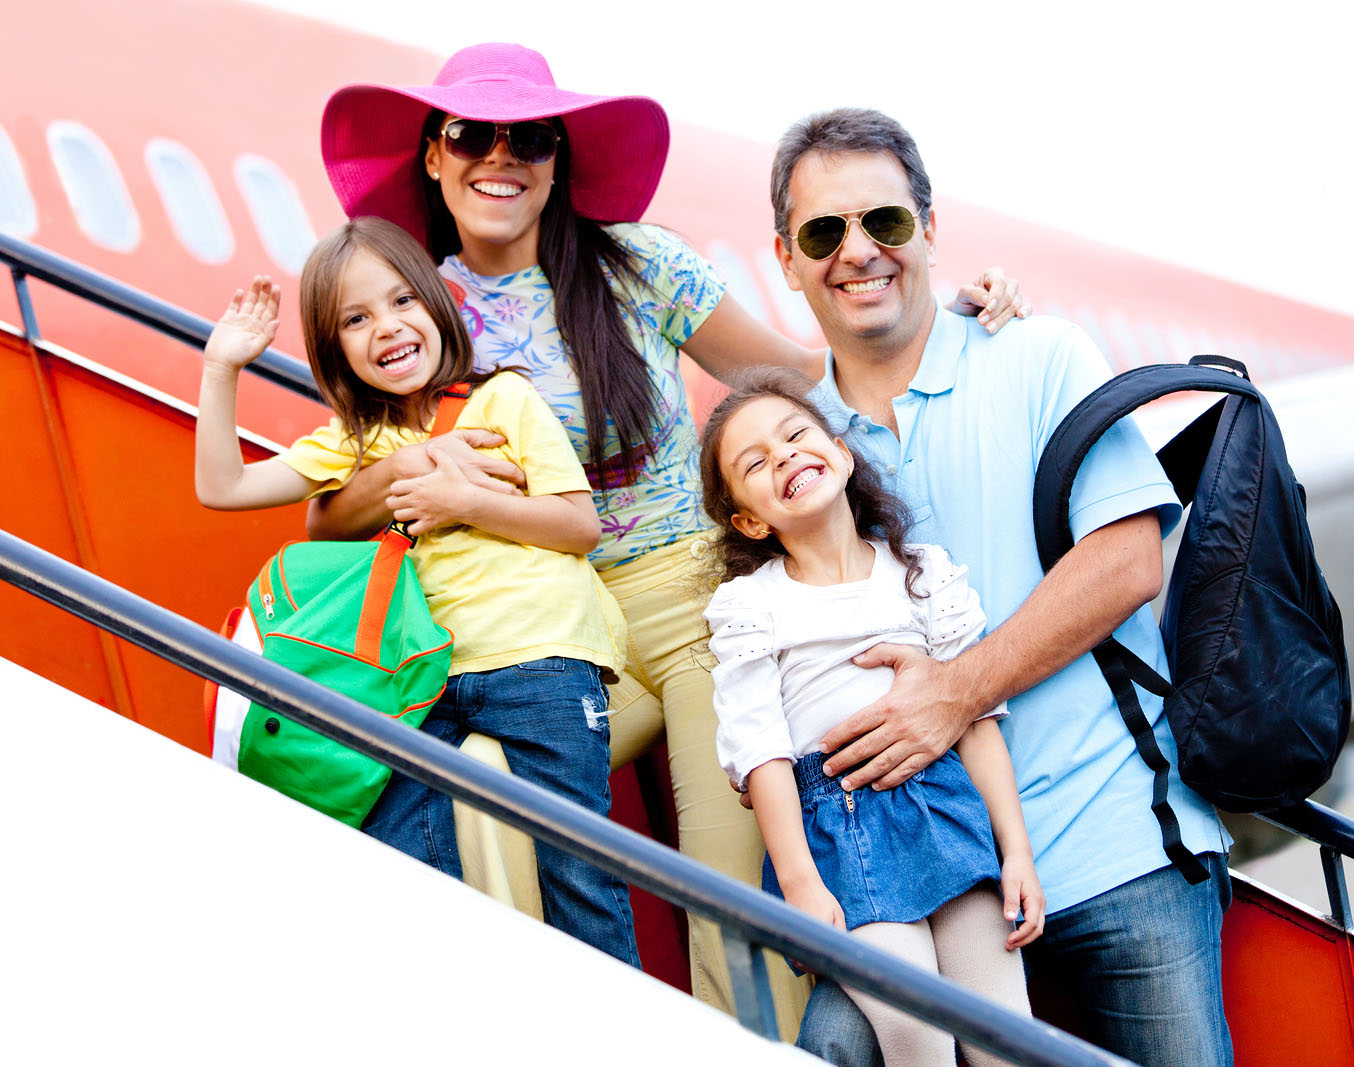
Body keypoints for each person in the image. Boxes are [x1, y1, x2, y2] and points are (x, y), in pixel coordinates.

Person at [311, 43, 1029, 1032]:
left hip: (695, 605)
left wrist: (941, 320)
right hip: (561, 632)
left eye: (528, 138)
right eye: (470, 135)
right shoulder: (416, 307)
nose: (499, 157)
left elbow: (797, 374)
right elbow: (337, 494)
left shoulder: (639, 265)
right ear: (432, 156)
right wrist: (405, 476)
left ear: (557, 160)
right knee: (484, 802)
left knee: (722, 884)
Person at [768, 108, 1234, 1067]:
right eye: (825, 233)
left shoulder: (1038, 355)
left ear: (930, 231)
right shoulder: (793, 440)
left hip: (1113, 840)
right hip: (923, 890)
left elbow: (1126, 562)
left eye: (885, 223)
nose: (858, 252)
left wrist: (955, 691)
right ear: (786, 257)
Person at [192, 217, 638, 968]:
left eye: (403, 301)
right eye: (356, 319)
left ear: (436, 305)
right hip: (427, 679)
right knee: (399, 844)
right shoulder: (350, 443)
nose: (388, 328)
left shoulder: (504, 401)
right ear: (336, 350)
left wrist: (463, 503)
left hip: (543, 660)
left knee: (579, 871)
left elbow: (576, 524)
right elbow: (222, 485)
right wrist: (221, 369)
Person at [699, 368, 1040, 1066]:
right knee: (915, 1028)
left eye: (795, 435)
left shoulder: (920, 573)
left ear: (842, 454)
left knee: (1003, 1029)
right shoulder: (752, 608)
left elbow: (976, 719)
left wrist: (1018, 852)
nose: (784, 455)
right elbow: (760, 752)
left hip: (944, 805)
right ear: (750, 520)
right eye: (755, 463)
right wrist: (798, 881)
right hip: (839, 827)